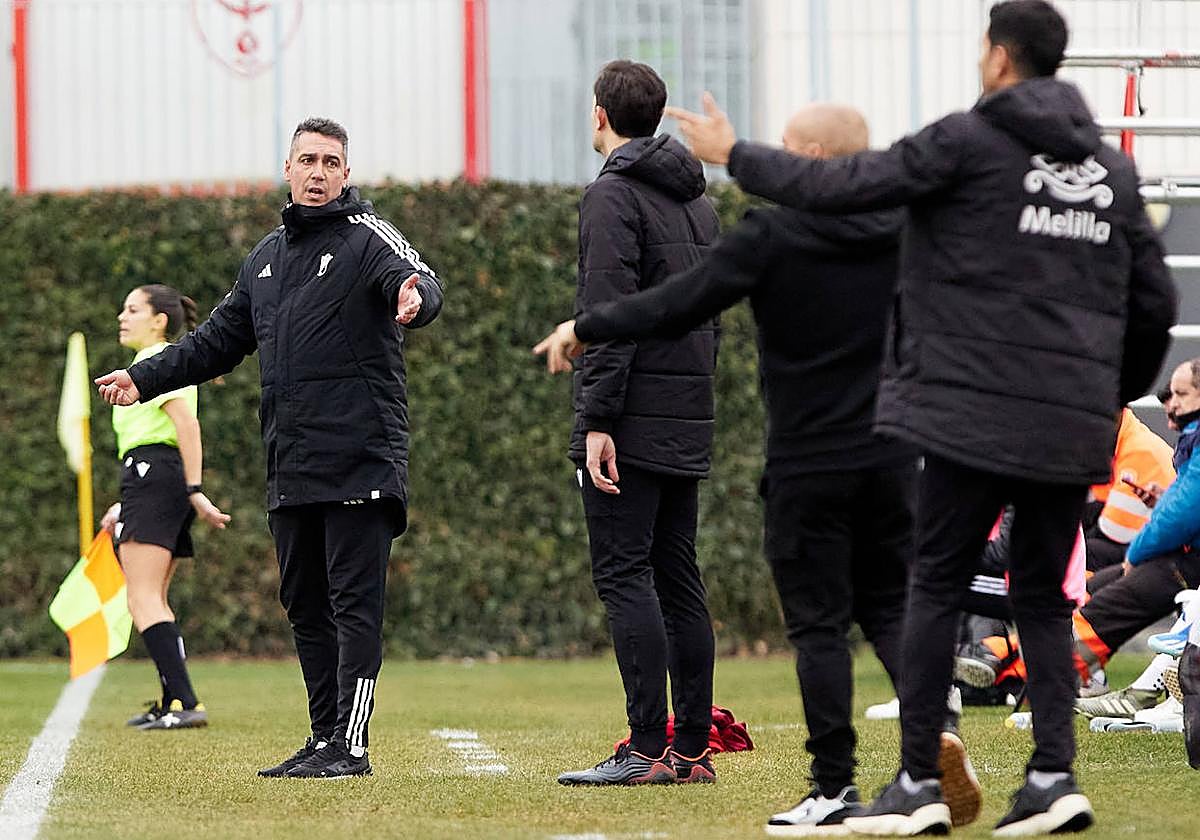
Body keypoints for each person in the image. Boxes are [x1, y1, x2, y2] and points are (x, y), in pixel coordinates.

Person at [662, 1, 1177, 834]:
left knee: (932, 583)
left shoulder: (968, 143)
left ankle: (915, 784)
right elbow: (1155, 301)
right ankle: (1052, 778)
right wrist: (1103, 390)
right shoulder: (1109, 175)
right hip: (1070, 421)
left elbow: (847, 182)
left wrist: (737, 157)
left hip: (972, 412)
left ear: (1000, 59)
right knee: (1044, 600)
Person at [536, 104, 980, 829]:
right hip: (896, 456)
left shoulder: (773, 236)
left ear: (804, 154)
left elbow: (674, 305)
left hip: (811, 463)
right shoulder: (908, 236)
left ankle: (833, 787)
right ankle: (921, 771)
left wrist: (585, 327)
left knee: (818, 630)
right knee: (890, 609)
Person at [96, 117, 443, 779]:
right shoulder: (265, 259)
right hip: (292, 464)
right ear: (287, 169)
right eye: (307, 160)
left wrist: (414, 297)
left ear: (347, 173)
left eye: (331, 162)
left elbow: (420, 277)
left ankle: (352, 745)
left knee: (353, 604)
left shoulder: (367, 239)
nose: (318, 173)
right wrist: (142, 377)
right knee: (305, 603)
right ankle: (321, 739)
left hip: (361, 459)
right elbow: (213, 344)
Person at [549, 60, 721, 787]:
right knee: (678, 577)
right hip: (686, 413)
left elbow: (609, 318)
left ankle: (646, 748)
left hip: (632, 419)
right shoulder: (698, 205)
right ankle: (690, 750)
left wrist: (596, 419)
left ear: (600, 116)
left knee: (625, 576)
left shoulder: (613, 196)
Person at [101, 284, 230, 731]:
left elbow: (185, 425)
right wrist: (127, 501)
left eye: (133, 309)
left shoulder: (155, 364)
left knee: (142, 599)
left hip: (154, 478)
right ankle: (173, 699)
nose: (123, 316)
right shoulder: (158, 363)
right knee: (153, 598)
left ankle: (185, 703)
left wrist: (195, 489)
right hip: (151, 479)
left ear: (159, 320)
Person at [1070, 361, 1200, 719]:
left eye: (1180, 394)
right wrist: (1162, 502)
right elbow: (1183, 505)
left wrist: (1138, 554)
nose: (1168, 403)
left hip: (1185, 557)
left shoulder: (1171, 443)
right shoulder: (1190, 440)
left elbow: (1182, 515)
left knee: (1102, 602)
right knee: (1094, 591)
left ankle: (1054, 686)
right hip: (1184, 553)